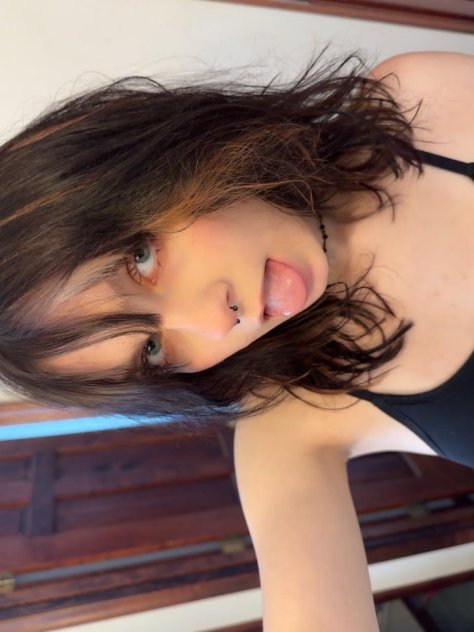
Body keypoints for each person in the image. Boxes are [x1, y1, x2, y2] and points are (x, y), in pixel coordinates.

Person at [0, 49, 472, 630]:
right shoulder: (295, 423)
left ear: (156, 158)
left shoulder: (414, 101)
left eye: (141, 261)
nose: (214, 323)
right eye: (153, 351)